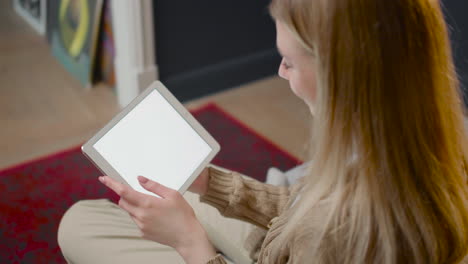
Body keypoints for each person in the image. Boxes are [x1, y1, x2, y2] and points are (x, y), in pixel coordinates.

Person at [58, 0, 468, 263]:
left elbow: (315, 225)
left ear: (340, 79)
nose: (279, 71)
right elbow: (302, 207)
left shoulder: (336, 228)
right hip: (285, 245)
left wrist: (191, 244)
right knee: (177, 189)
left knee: (79, 223)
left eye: (288, 62)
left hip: (282, 251)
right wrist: (211, 183)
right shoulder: (427, 142)